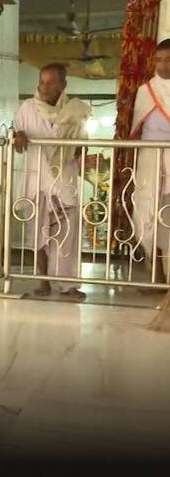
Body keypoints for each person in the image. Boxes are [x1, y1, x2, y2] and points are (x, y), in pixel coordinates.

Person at [13, 63, 90, 300]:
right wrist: (18, 137)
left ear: (63, 85)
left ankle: (68, 285)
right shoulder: (27, 108)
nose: (44, 87)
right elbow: (15, 138)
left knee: (67, 235)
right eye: (42, 81)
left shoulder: (75, 110)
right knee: (38, 234)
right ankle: (43, 281)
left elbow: (83, 145)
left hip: (64, 180)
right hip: (37, 180)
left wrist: (78, 151)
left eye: (50, 82)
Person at [129, 38, 170, 289]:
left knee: (168, 215)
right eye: (159, 60)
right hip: (149, 157)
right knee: (145, 211)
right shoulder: (146, 90)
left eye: (168, 60)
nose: (163, 65)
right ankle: (153, 273)